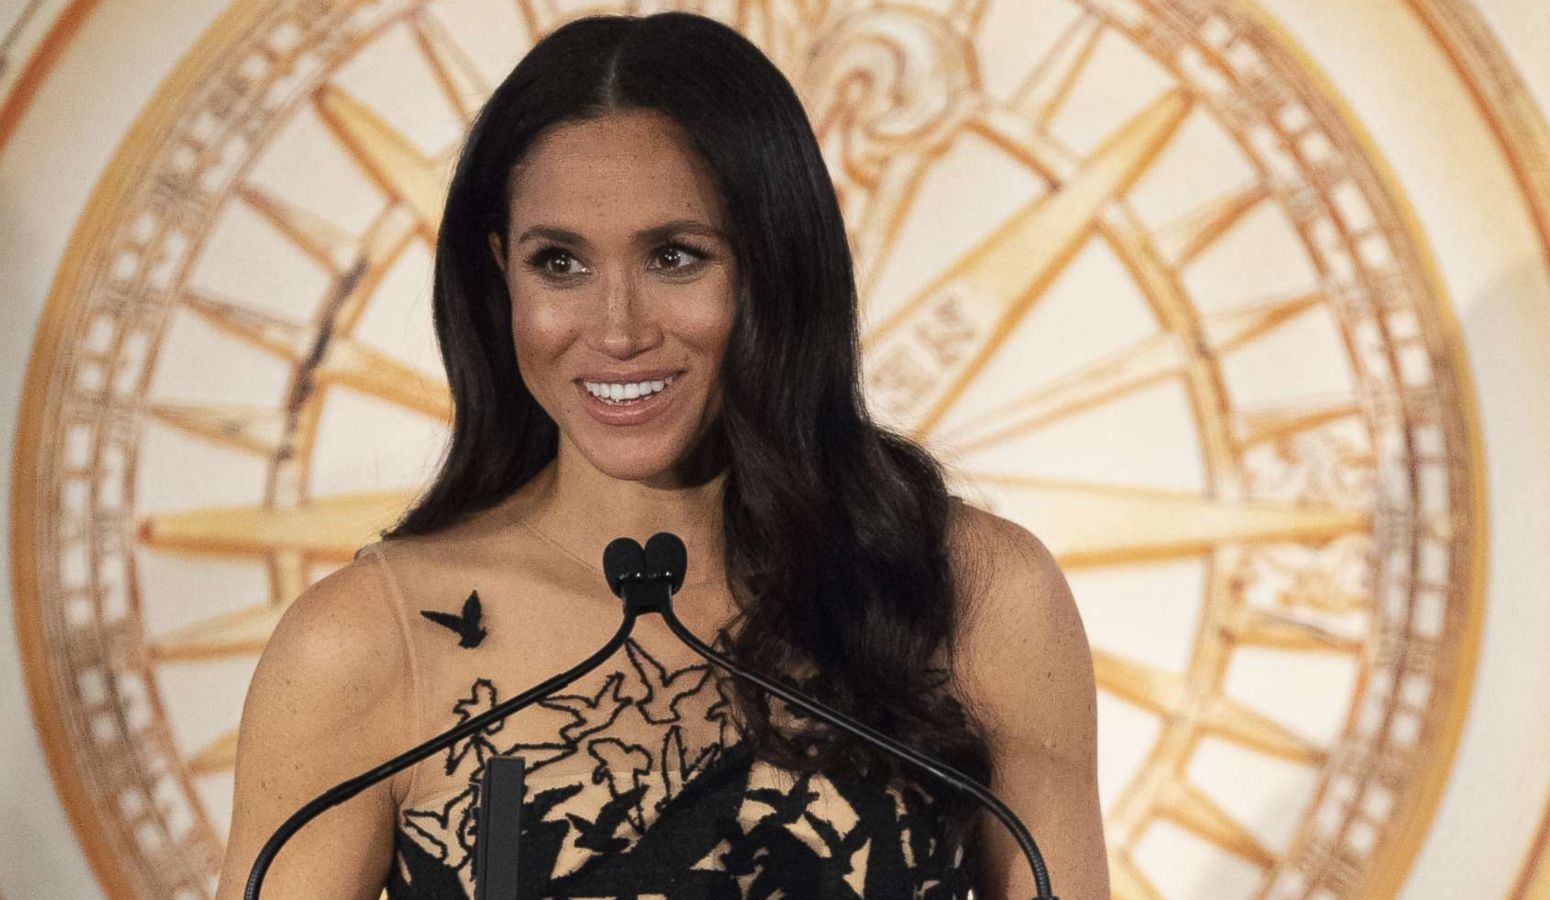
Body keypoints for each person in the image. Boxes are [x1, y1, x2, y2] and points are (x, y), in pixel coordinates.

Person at [214, 11, 1108, 899]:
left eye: (676, 257)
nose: (617, 330)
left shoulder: (980, 595)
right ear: (500, 275)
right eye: (559, 264)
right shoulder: (363, 643)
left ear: (774, 266)